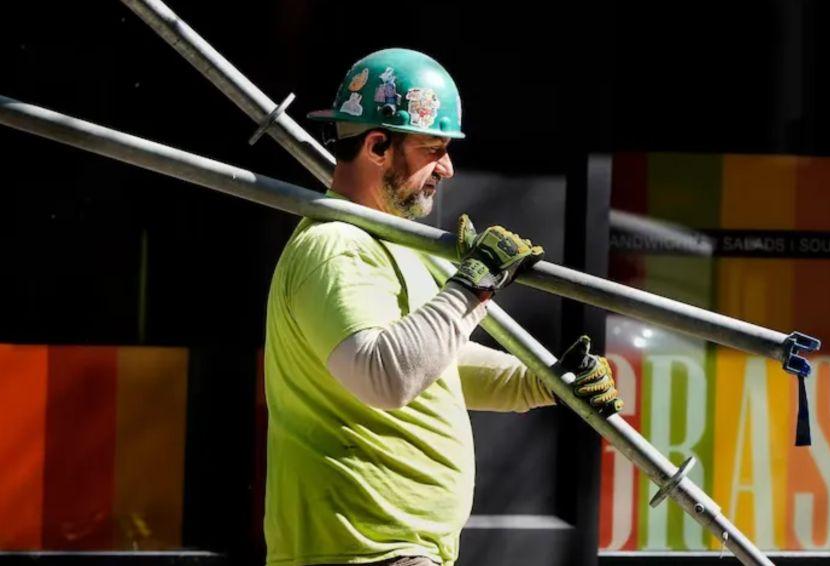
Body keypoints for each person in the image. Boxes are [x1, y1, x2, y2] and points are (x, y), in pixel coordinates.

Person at [263, 48, 623, 566]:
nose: (447, 168)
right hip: (362, 551)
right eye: (433, 150)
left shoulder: (387, 243)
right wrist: (472, 288)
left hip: (391, 550)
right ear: (377, 146)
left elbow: (433, 366)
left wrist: (545, 382)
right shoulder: (336, 245)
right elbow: (384, 375)